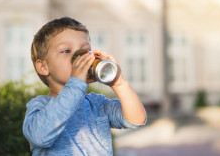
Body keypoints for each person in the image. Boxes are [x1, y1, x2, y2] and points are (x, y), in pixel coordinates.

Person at [23, 16, 147, 156]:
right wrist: (76, 83)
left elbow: (136, 120)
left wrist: (119, 83)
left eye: (85, 51)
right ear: (43, 67)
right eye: (66, 51)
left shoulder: (97, 104)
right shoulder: (39, 106)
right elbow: (39, 137)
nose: (79, 57)